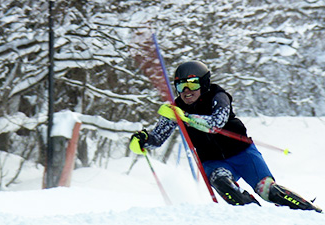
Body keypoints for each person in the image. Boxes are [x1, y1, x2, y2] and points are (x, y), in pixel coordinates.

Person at [129, 60, 322, 213]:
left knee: (268, 191)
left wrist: (186, 117)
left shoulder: (218, 96)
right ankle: (256, 217)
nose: (187, 92)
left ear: (204, 84)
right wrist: (143, 140)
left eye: (192, 85)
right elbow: (156, 139)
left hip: (242, 154)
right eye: (181, 87)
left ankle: (310, 212)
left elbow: (216, 123)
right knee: (222, 183)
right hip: (212, 160)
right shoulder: (176, 109)